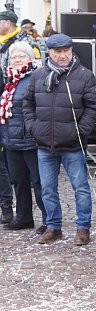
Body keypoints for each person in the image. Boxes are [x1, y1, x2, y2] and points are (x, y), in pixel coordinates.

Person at [23, 33, 96, 245]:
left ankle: (83, 228)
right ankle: (53, 227)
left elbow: (94, 107)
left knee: (81, 188)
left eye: (66, 51)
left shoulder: (84, 75)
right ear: (49, 52)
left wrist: (82, 129)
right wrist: (33, 127)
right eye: (57, 52)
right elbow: (28, 104)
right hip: (44, 144)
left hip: (73, 144)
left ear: (71, 50)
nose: (62, 56)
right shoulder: (39, 75)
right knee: (47, 188)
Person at [0, 43, 46, 230]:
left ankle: (48, 220)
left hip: (31, 140)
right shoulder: (9, 80)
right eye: (14, 57)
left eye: (21, 56)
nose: (17, 59)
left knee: (39, 182)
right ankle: (24, 217)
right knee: (19, 181)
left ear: (30, 58)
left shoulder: (37, 77)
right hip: (11, 139)